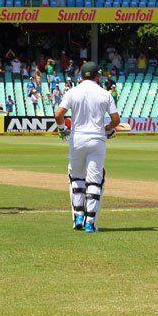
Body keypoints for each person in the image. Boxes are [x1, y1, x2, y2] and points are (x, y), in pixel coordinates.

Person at [53, 62, 120, 233]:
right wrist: (107, 129)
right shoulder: (105, 94)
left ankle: (78, 218)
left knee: (77, 179)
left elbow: (59, 114)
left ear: (81, 76)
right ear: (98, 76)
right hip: (97, 139)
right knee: (94, 181)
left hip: (78, 139)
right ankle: (90, 222)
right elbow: (116, 120)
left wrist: (62, 130)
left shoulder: (72, 91)